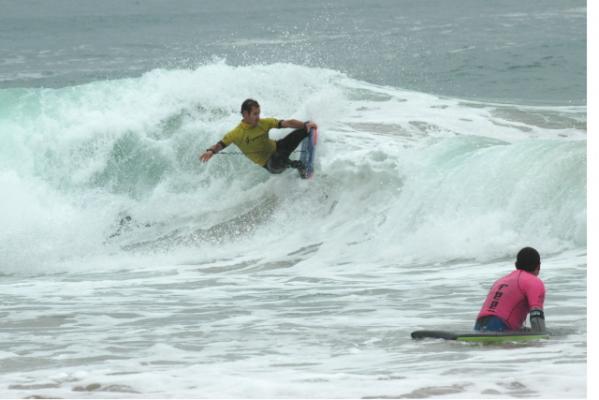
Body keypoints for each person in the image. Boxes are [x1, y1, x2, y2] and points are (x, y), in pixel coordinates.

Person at [199, 99, 318, 174]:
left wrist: (305, 125)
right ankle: (298, 167)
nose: (258, 117)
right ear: (246, 114)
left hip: (278, 147)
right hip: (271, 164)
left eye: (259, 113)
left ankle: (307, 134)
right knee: (277, 159)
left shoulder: (263, 123)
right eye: (255, 114)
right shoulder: (236, 134)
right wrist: (211, 151)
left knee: (304, 129)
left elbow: (287, 123)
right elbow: (220, 144)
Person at [474, 247, 546, 332]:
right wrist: (542, 338)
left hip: (479, 324)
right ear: (538, 266)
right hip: (500, 325)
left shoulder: (501, 280)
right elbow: (536, 316)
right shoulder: (534, 282)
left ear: (516, 264)